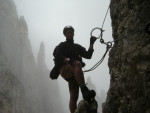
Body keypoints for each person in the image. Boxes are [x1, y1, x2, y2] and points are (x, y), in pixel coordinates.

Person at [53, 25, 97, 113]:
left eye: (71, 32)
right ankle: (84, 90)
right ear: (65, 35)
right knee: (76, 64)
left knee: (74, 96)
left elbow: (88, 55)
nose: (69, 34)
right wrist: (69, 60)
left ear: (73, 33)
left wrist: (91, 43)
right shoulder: (62, 45)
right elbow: (57, 55)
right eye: (67, 33)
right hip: (65, 69)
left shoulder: (77, 47)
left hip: (74, 74)